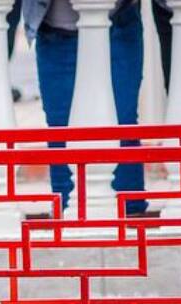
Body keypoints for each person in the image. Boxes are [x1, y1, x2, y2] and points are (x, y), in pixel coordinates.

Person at [21, 0, 147, 214]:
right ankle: (67, 221)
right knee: (61, 130)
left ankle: (131, 220)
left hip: (116, 20)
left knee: (123, 123)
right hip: (55, 31)